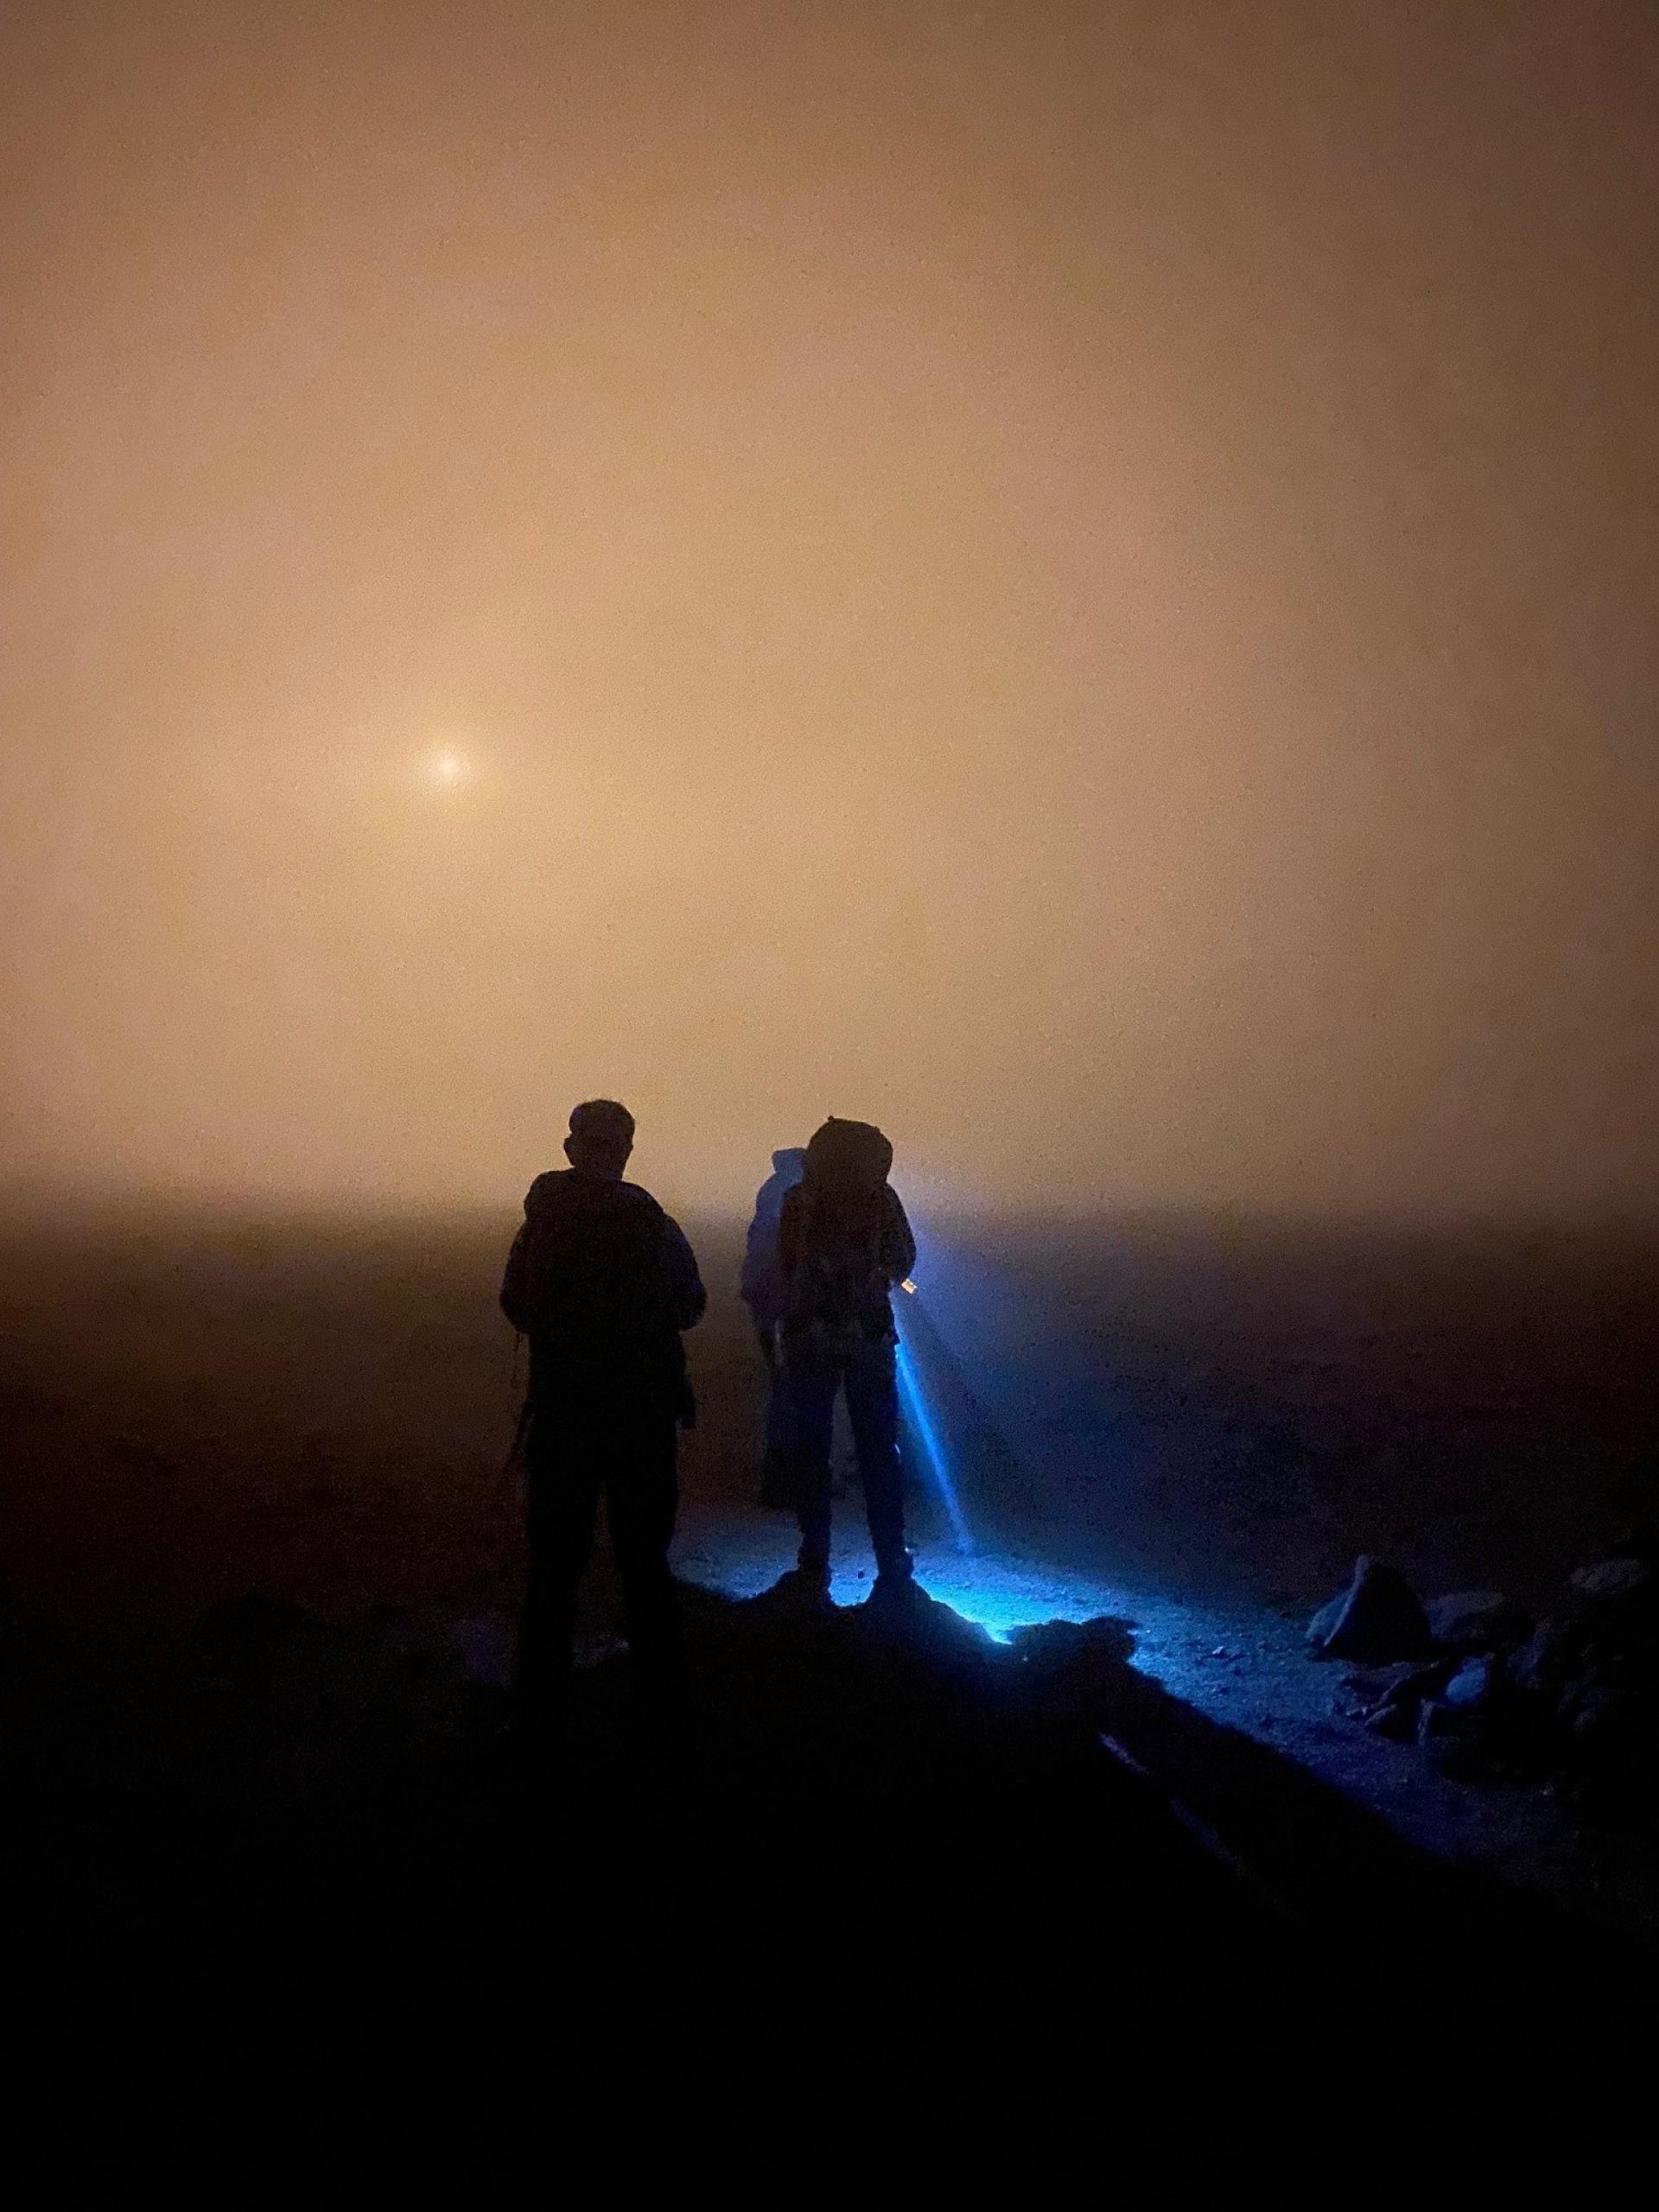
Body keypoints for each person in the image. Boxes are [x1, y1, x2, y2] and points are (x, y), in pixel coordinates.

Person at [499, 1099, 706, 1726]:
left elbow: (516, 1303)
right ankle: (661, 1707)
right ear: (626, 1151)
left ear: (570, 1148)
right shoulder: (652, 1222)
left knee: (555, 1566)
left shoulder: (543, 1220)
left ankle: (538, 1709)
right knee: (644, 1563)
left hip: (562, 1413)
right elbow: (690, 1305)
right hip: (641, 1416)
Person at [778, 1116, 917, 1600]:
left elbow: (784, 1265)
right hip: (869, 1339)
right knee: (879, 1450)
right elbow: (905, 1260)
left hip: (810, 1340)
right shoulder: (881, 1200)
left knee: (813, 1449)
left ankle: (813, 1558)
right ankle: (892, 1560)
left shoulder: (802, 1200)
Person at [740, 1146, 807, 1504]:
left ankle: (780, 1475)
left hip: (766, 1295)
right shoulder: (795, 1192)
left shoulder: (774, 1187)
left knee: (783, 1384)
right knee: (790, 1387)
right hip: (782, 1299)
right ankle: (784, 1477)